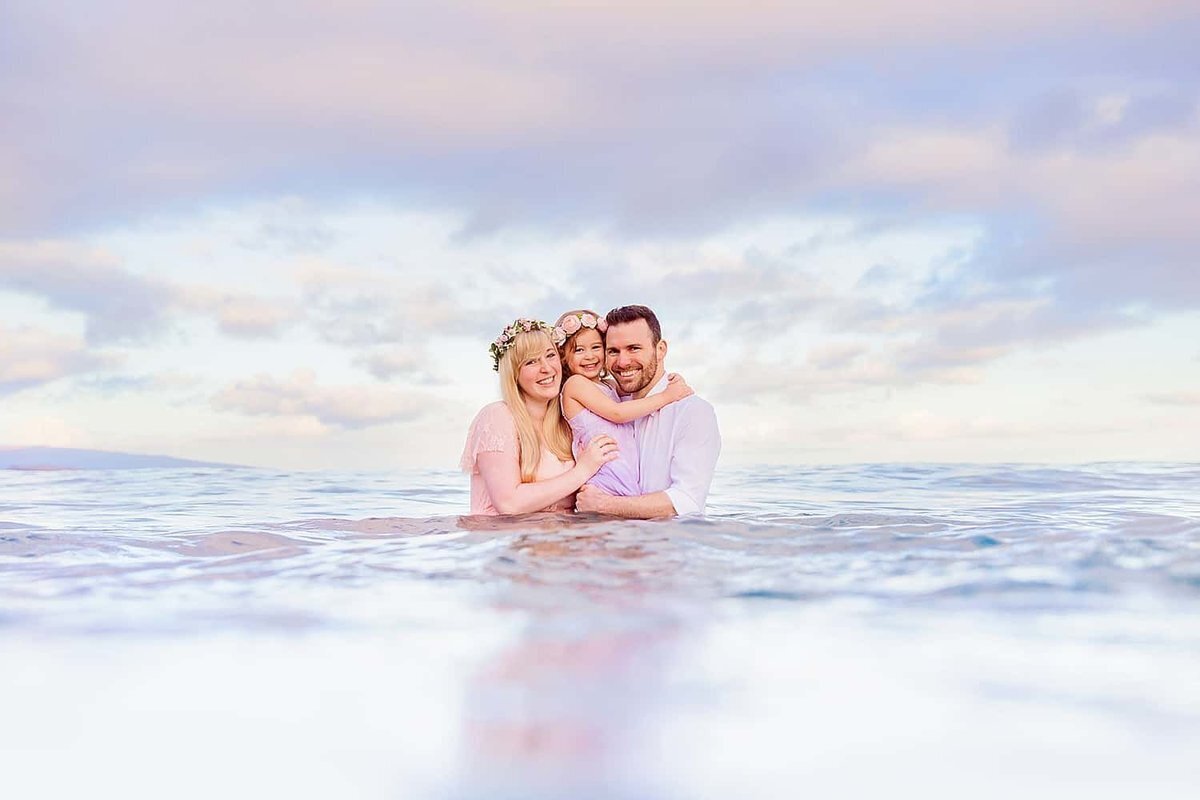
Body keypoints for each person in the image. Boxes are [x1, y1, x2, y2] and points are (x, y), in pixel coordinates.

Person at [461, 318, 619, 515]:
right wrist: (583, 470)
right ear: (514, 374)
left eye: (550, 355)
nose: (546, 368)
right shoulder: (497, 417)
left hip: (562, 539)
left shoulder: (565, 422)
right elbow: (509, 504)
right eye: (531, 361)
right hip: (509, 541)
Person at [575, 305, 721, 519]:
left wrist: (605, 505)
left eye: (634, 348)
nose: (623, 362)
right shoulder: (605, 405)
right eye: (613, 351)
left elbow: (686, 500)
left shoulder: (693, 413)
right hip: (607, 544)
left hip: (665, 545)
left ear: (660, 349)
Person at [551, 308, 693, 496]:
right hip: (604, 469)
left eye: (596, 347)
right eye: (578, 350)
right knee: (610, 515)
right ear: (564, 357)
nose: (589, 356)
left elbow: (639, 388)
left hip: (623, 467)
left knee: (628, 515)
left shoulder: (608, 385)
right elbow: (618, 413)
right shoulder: (575, 385)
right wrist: (668, 396)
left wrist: (672, 382)